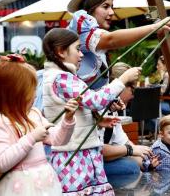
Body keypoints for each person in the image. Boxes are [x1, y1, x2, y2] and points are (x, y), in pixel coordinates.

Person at [42, 28, 141, 195]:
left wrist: (97, 119)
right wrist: (123, 79)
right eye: (78, 49)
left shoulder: (58, 76)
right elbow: (94, 100)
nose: (81, 55)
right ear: (60, 51)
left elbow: (80, 107)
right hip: (74, 154)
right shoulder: (62, 78)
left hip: (75, 151)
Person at [0, 54, 78, 195]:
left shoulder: (34, 113)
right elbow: (2, 163)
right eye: (31, 89)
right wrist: (32, 137)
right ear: (13, 92)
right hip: (17, 188)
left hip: (44, 184)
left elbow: (58, 140)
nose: (35, 95)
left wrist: (68, 119)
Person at [67, 0, 170, 90]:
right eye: (105, 6)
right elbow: (111, 40)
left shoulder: (94, 41)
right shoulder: (81, 26)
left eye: (112, 7)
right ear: (88, 9)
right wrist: (155, 27)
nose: (111, 12)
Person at [103, 62, 153, 177]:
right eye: (133, 90)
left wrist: (147, 160)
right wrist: (130, 150)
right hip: (90, 165)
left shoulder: (113, 109)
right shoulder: (99, 107)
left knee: (137, 164)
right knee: (130, 168)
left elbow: (124, 142)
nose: (134, 96)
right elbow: (99, 150)